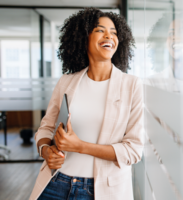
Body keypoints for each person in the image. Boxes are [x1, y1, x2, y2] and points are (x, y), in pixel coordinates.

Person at [29, 7, 144, 200]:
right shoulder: (66, 82)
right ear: (84, 38)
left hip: (100, 191)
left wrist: (80, 146)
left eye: (114, 32)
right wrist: (45, 150)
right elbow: (46, 128)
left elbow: (133, 150)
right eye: (100, 30)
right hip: (56, 183)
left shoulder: (131, 85)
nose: (109, 35)